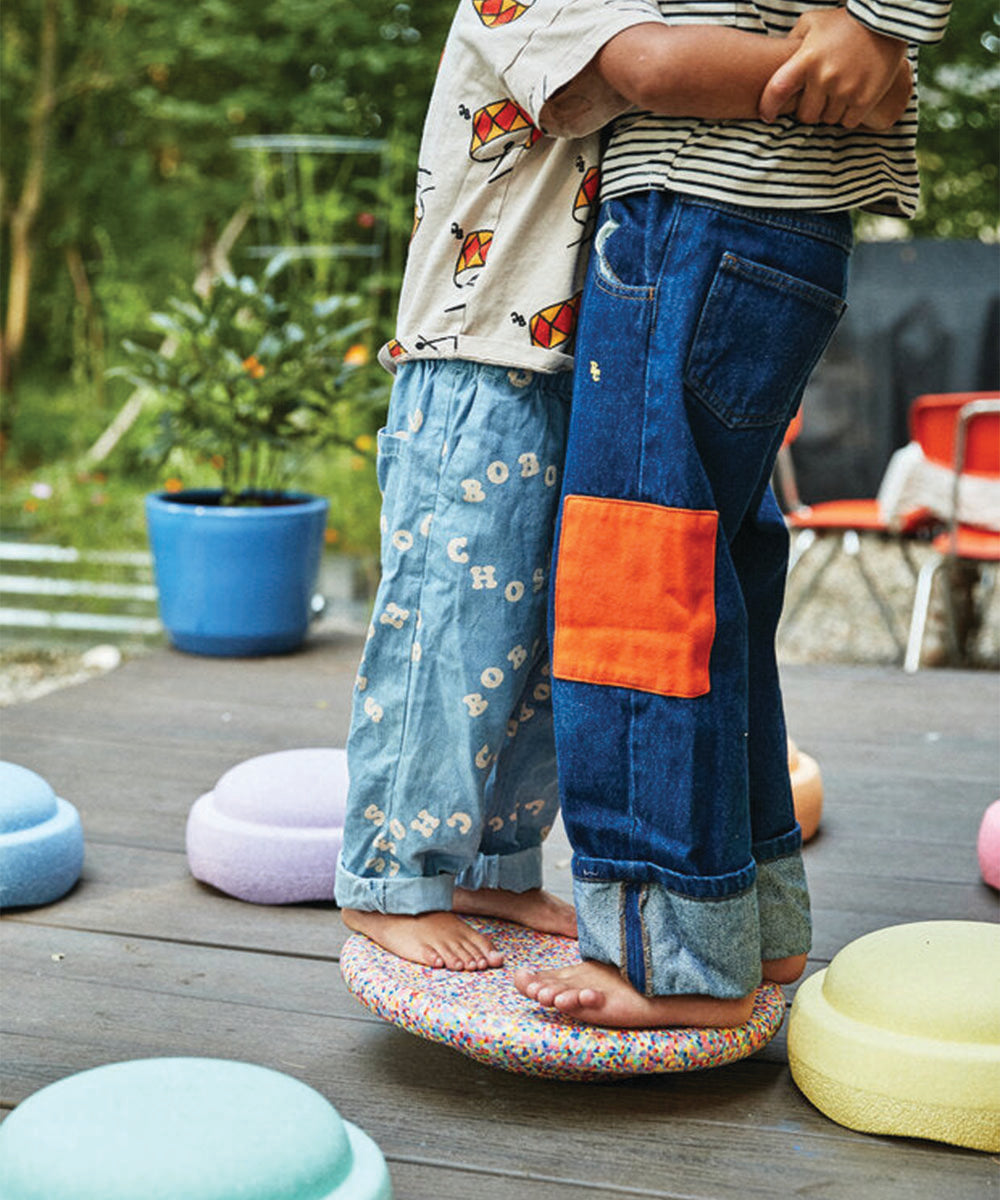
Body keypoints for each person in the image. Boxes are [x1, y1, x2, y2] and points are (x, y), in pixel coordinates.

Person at [334, 0, 912, 975]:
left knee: (546, 653)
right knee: (450, 626)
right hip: (479, 364)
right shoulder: (525, 4)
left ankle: (496, 862)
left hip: (580, 363)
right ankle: (387, 875)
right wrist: (845, 66)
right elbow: (648, 68)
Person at [514, 0, 951, 1026]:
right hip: (767, 229)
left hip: (694, 217)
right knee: (711, 579)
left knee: (633, 586)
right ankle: (745, 924)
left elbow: (644, 69)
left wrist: (884, 30)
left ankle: (667, 959)